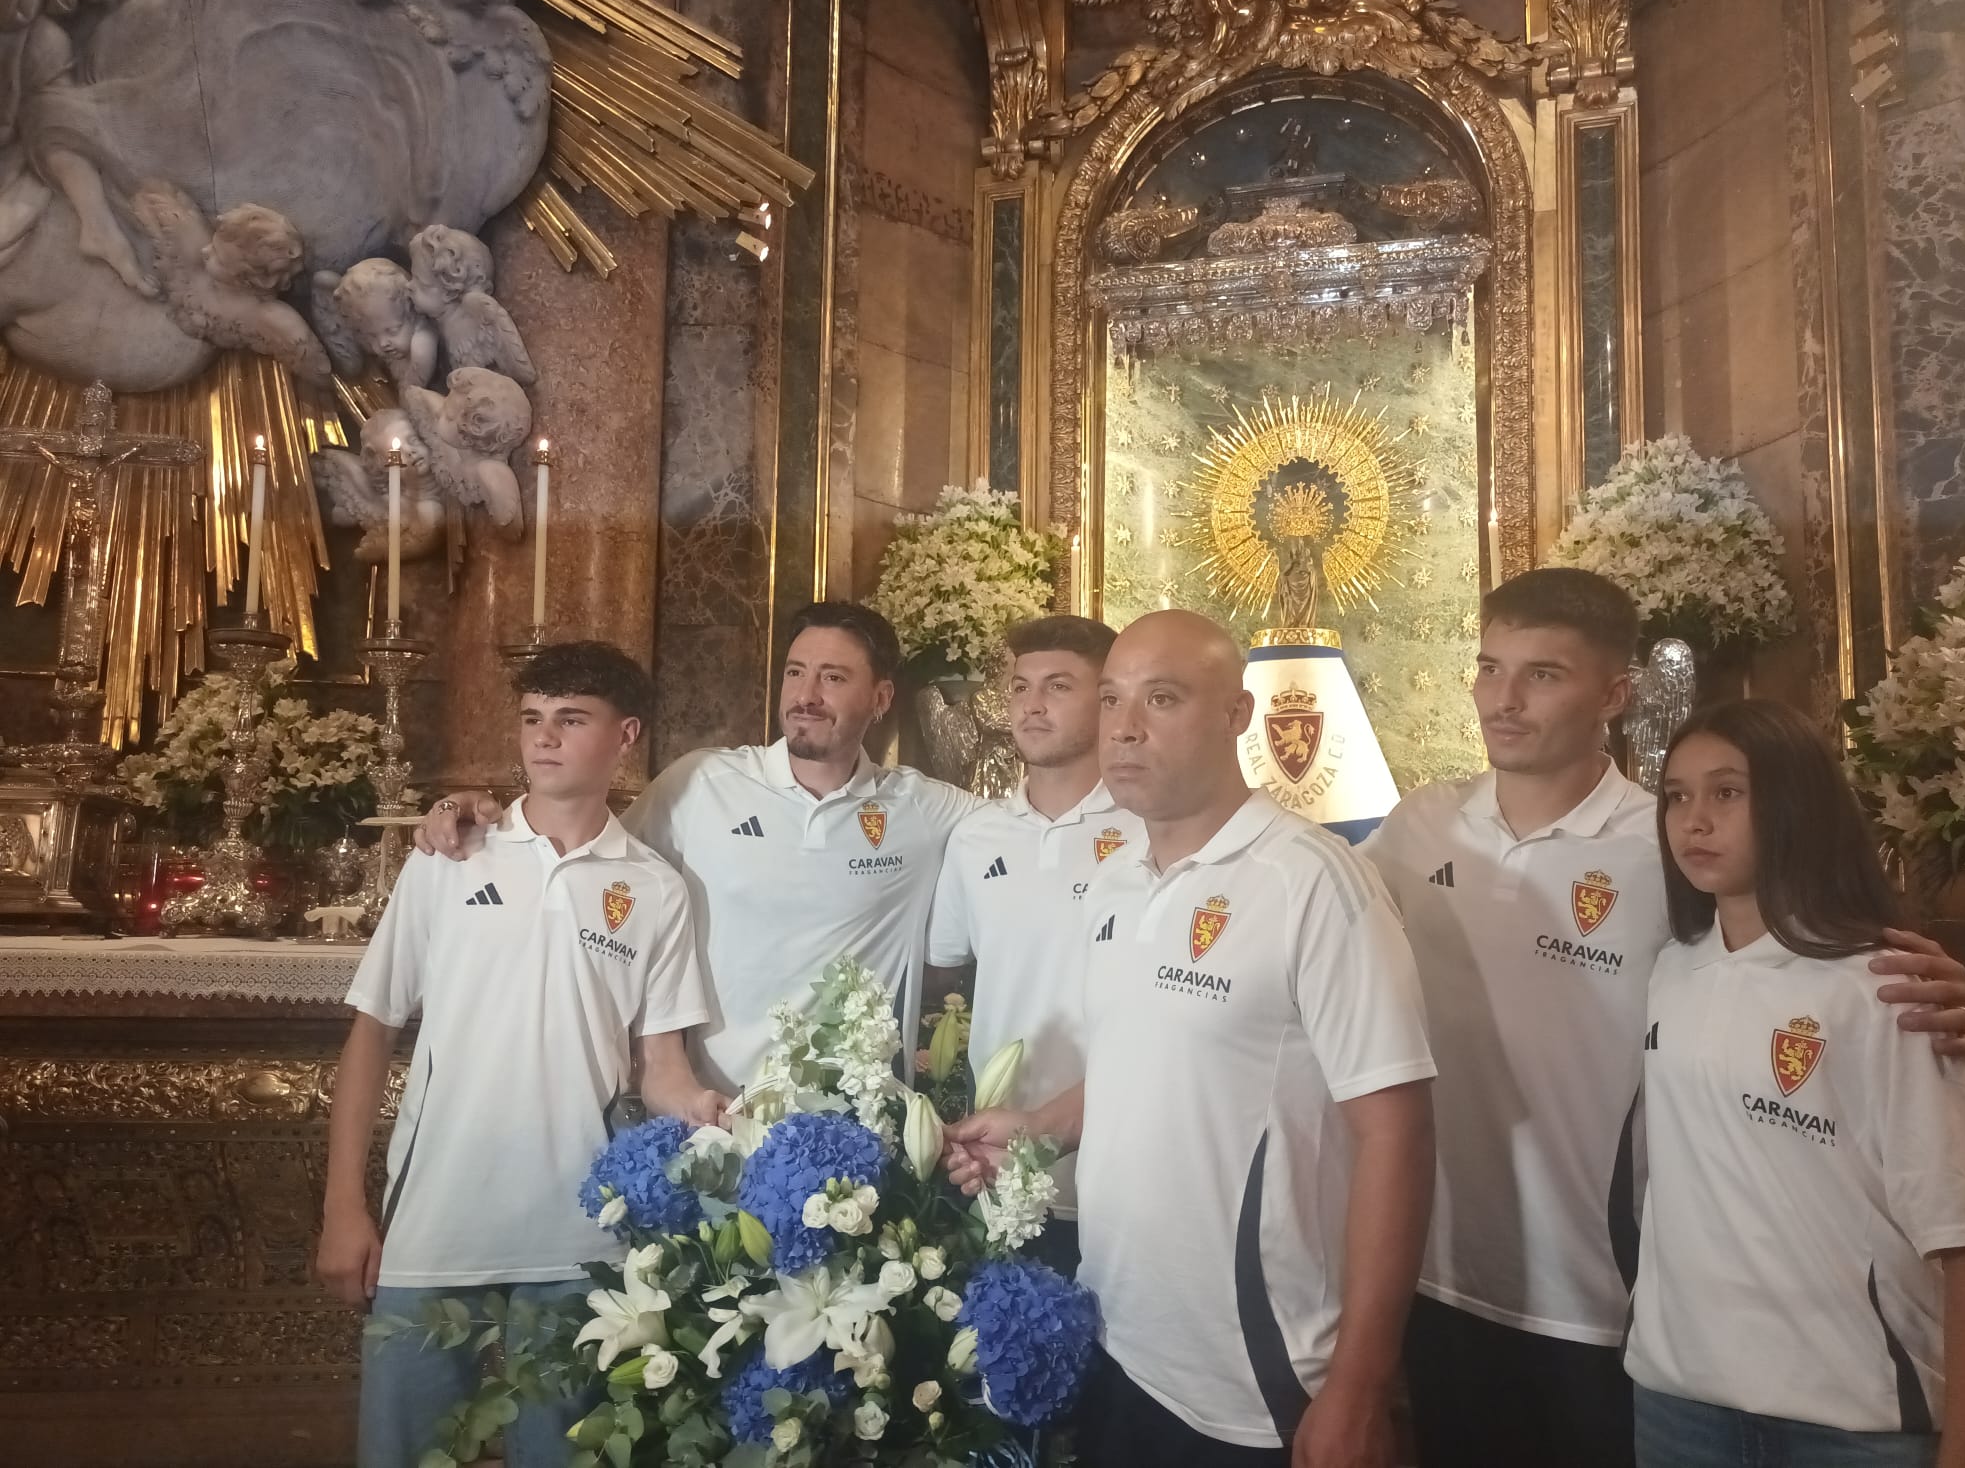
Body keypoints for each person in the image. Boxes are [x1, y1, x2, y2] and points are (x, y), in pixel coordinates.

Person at [1359, 568, 1965, 1468]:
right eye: (1490, 668)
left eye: (1542, 674)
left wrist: (1944, 990)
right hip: (1445, 1274)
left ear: (1614, 695)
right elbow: (1311, 933)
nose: (1504, 699)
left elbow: (1802, 954)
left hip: (1611, 1299)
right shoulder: (1417, 827)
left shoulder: (1664, 846)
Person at [948, 609, 1435, 1468]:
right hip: (1121, 1334)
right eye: (1111, 700)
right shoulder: (1117, 873)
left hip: (1256, 1374)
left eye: (1162, 699)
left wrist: (1361, 1382)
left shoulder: (1313, 885)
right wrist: (1041, 1127)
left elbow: (1396, 1132)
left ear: (1236, 716)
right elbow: (1142, 1064)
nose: (1126, 728)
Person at [317, 641, 720, 1468]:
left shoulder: (655, 889)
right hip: (433, 1224)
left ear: (626, 735)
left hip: (578, 1238)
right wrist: (342, 1207)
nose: (545, 738)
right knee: (404, 1455)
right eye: (533, 719)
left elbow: (664, 1068)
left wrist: (715, 1117)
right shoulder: (450, 856)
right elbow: (370, 1033)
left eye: (571, 720)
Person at [1629, 699, 1965, 1467]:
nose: (1694, 820)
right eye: (1676, 795)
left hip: (1848, 1418)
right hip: (1679, 1400)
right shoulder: (1670, 969)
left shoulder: (1883, 986)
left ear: (1794, 802)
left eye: (1727, 792)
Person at [417, 601, 979, 1094]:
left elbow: (1037, 821)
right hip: (706, 1121)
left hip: (853, 1130)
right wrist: (475, 810)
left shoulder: (924, 809)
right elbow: (583, 858)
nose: (806, 696)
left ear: (881, 698)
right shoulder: (703, 782)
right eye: (795, 673)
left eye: (833, 678)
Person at [924, 614, 1143, 1276]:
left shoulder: (1147, 826)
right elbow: (949, 978)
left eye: (1057, 687)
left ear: (1107, 700)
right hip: (998, 1161)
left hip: (1123, 1164)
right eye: (1020, 688)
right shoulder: (976, 836)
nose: (1032, 706)